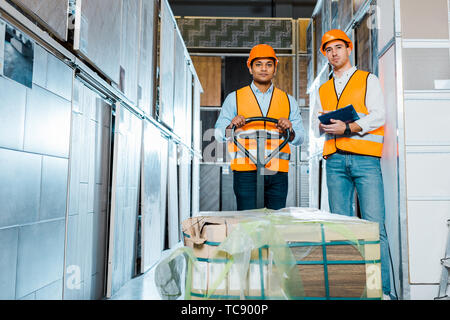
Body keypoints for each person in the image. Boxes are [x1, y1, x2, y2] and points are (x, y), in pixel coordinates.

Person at [311, 29, 391, 299]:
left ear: (348, 49)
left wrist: (350, 126)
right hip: (334, 161)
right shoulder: (323, 88)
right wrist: (324, 126)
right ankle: (348, 290)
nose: (334, 53)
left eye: (338, 48)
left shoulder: (367, 79)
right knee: (340, 229)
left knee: (374, 227)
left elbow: (379, 116)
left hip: (365, 160)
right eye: (329, 50)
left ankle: (382, 291)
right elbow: (316, 127)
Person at [215, 44, 305, 211]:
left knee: (275, 224)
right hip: (245, 171)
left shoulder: (288, 100)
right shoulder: (234, 98)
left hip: (277, 172)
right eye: (258, 64)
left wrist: (290, 131)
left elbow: (300, 138)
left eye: (269, 64)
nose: (264, 69)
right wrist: (231, 125)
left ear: (275, 68)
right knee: (249, 223)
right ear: (250, 68)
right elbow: (219, 134)